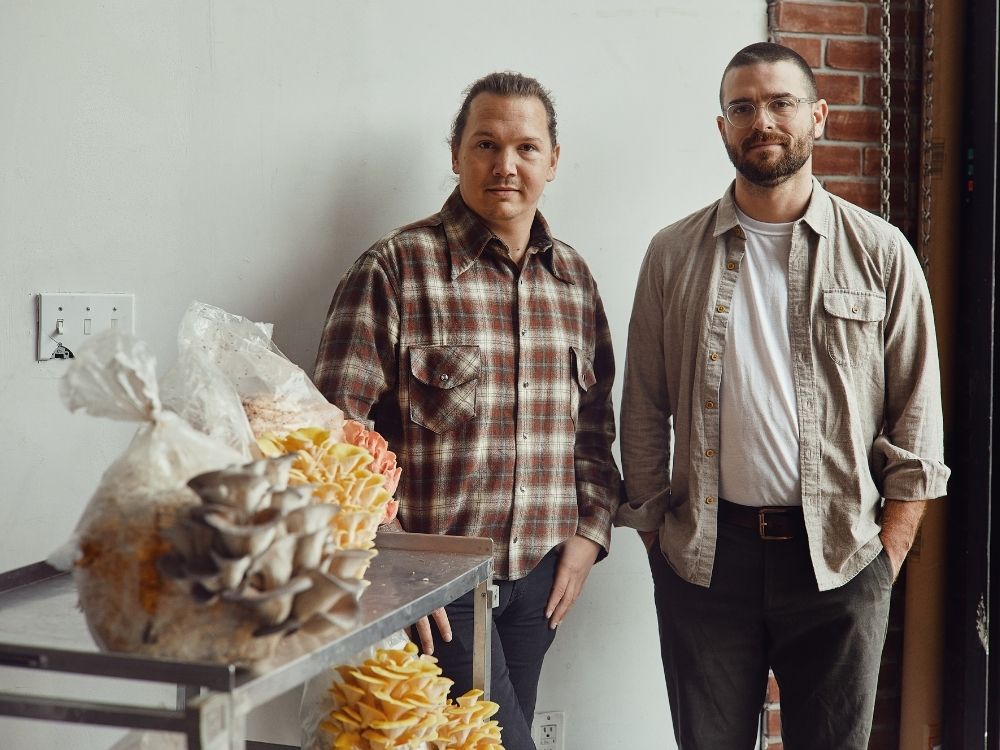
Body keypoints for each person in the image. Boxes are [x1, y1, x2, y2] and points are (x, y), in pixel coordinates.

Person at [616, 42, 949, 749]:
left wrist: (886, 557)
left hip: (840, 558)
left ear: (818, 117)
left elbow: (917, 415)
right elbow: (643, 403)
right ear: (722, 127)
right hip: (705, 562)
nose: (761, 120)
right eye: (743, 107)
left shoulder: (881, 252)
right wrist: (656, 540)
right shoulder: (672, 254)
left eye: (780, 102)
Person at [313, 71, 619, 750]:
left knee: (466, 742)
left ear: (553, 161)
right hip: (437, 582)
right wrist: (390, 566)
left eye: (525, 148)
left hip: (540, 578)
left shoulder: (574, 282)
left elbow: (595, 428)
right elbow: (336, 435)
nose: (505, 166)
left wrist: (589, 535)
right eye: (485, 144)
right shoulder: (395, 268)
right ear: (455, 154)